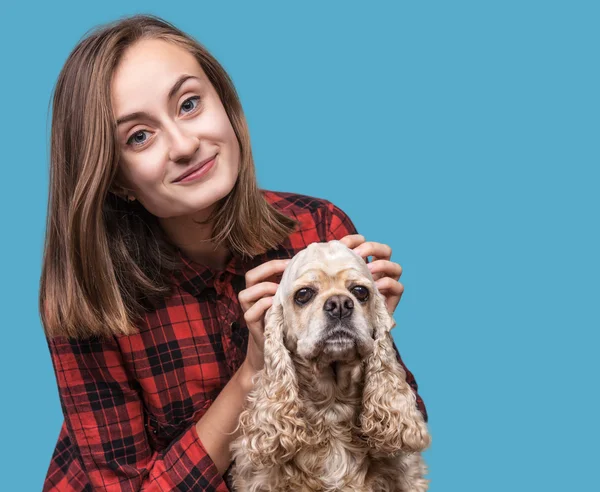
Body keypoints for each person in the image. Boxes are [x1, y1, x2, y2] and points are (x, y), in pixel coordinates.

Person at [40, 14, 427, 491]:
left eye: (188, 104)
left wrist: (371, 330)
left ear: (224, 104)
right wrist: (252, 371)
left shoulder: (316, 229)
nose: (184, 145)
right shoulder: (87, 297)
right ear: (115, 179)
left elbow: (396, 436)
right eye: (139, 136)